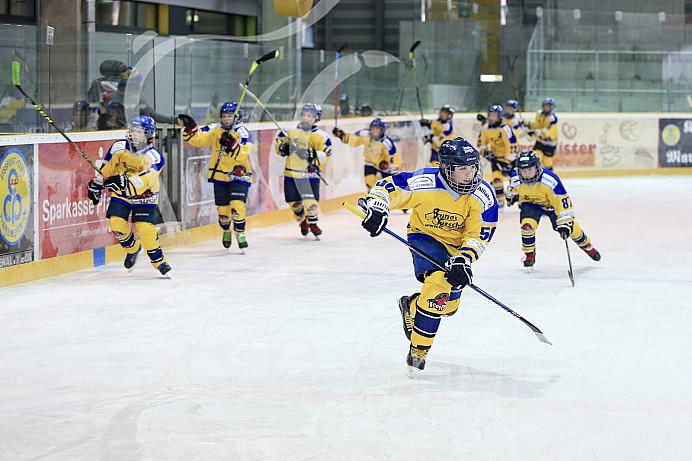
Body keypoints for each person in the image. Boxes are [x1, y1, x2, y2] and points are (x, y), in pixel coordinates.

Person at [358, 137, 498, 377]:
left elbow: (478, 235)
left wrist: (464, 260)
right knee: (438, 288)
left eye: (472, 167)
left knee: (448, 306)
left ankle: (411, 305)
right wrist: (378, 207)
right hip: (425, 237)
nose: (469, 174)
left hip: (456, 248)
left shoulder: (483, 196)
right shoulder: (424, 182)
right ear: (445, 168)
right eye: (462, 168)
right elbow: (387, 187)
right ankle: (419, 350)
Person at [86, 115, 171, 276]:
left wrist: (126, 182)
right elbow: (107, 167)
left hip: (145, 196)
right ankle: (133, 249)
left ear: (149, 135)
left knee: (145, 229)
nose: (135, 135)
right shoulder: (119, 147)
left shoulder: (155, 156)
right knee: (116, 224)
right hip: (122, 194)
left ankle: (159, 261)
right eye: (133, 131)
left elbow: (146, 178)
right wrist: (97, 185)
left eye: (140, 132)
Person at [505, 150, 601, 270]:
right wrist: (511, 195)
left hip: (552, 207)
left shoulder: (550, 180)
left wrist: (565, 221)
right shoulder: (516, 178)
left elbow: (562, 202)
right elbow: (513, 189)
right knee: (527, 226)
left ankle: (585, 244)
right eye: (523, 171)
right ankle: (529, 253)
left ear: (537, 167)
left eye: (530, 170)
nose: (527, 174)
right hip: (531, 204)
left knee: (569, 228)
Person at [178, 102, 253, 250]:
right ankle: (226, 230)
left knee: (237, 206)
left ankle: (240, 233)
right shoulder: (215, 129)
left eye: (230, 116)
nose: (226, 119)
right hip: (219, 176)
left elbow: (244, 151)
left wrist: (233, 145)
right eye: (224, 116)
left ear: (237, 117)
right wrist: (190, 128)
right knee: (223, 212)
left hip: (239, 175)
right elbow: (198, 139)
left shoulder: (243, 132)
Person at [275, 103, 332, 238]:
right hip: (292, 174)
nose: (306, 118)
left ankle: (313, 223)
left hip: (310, 174)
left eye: (310, 116)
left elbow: (327, 153)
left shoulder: (321, 136)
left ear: (316, 119)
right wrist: (284, 148)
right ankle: (302, 220)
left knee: (310, 201)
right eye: (304, 115)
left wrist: (312, 154)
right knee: (294, 202)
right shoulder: (290, 131)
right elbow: (278, 143)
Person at [477, 104, 518, 207]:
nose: (491, 117)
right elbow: (481, 144)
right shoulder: (485, 128)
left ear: (499, 116)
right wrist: (485, 153)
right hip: (495, 158)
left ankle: (521, 197)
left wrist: (508, 161)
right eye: (490, 115)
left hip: (508, 159)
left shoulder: (505, 128)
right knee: (496, 178)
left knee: (514, 178)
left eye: (494, 115)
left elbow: (512, 144)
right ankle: (500, 200)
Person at [332, 117, 392, 189]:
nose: (374, 131)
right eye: (373, 128)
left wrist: (388, 165)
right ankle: (374, 197)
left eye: (377, 129)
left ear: (382, 130)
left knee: (389, 186)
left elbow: (393, 157)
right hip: (370, 164)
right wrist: (342, 136)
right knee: (370, 183)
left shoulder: (387, 143)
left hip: (384, 165)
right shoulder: (365, 134)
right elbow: (354, 140)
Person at [522, 97, 558, 171]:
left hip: (550, 143)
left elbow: (548, 132)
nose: (545, 108)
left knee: (547, 161)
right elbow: (537, 125)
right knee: (536, 156)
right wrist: (528, 124)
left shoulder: (553, 119)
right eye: (545, 106)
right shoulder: (539, 114)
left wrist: (536, 132)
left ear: (552, 108)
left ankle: (550, 176)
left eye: (547, 106)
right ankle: (535, 174)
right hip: (540, 141)